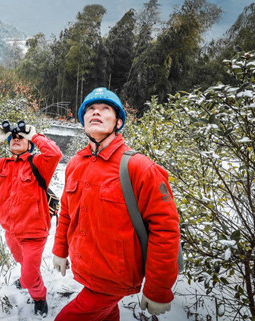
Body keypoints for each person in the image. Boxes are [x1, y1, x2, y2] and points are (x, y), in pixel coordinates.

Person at [52, 88, 180, 320]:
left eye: (104, 109)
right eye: (90, 109)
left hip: (114, 277)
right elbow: (67, 214)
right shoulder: (75, 164)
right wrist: (60, 250)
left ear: (118, 121)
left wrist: (159, 288)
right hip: (87, 269)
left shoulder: (138, 167)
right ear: (83, 121)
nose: (96, 113)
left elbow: (165, 229)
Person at [0, 121, 62, 317]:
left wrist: (35, 135)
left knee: (29, 278)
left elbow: (55, 154)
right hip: (11, 232)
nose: (16, 138)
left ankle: (39, 297)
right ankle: (27, 277)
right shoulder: (0, 165)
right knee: (23, 264)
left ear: (29, 144)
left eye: (21, 137)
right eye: (13, 136)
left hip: (34, 233)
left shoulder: (39, 164)